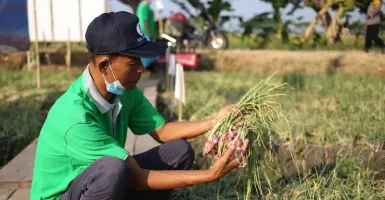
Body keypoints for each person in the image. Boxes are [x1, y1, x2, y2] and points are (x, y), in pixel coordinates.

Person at [30, 11, 248, 200]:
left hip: (102, 183)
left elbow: (162, 131)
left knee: (178, 151)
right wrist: (209, 175)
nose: (141, 69)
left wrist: (214, 121)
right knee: (113, 170)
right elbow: (138, 178)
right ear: (105, 65)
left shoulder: (124, 89)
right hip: (68, 193)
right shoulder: (75, 117)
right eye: (133, 62)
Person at [136, 0, 159, 69]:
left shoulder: (142, 6)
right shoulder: (145, 6)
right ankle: (142, 68)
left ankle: (144, 68)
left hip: (144, 32)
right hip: (146, 33)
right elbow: (145, 20)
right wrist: (149, 33)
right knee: (150, 54)